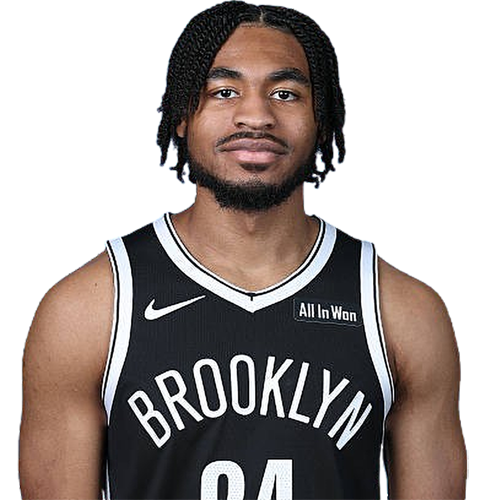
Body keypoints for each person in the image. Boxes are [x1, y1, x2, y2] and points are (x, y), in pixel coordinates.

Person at [19, 1, 467, 499]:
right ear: (183, 116)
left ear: (321, 120)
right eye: (224, 91)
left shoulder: (402, 313)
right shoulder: (89, 309)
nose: (256, 116)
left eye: (285, 93)